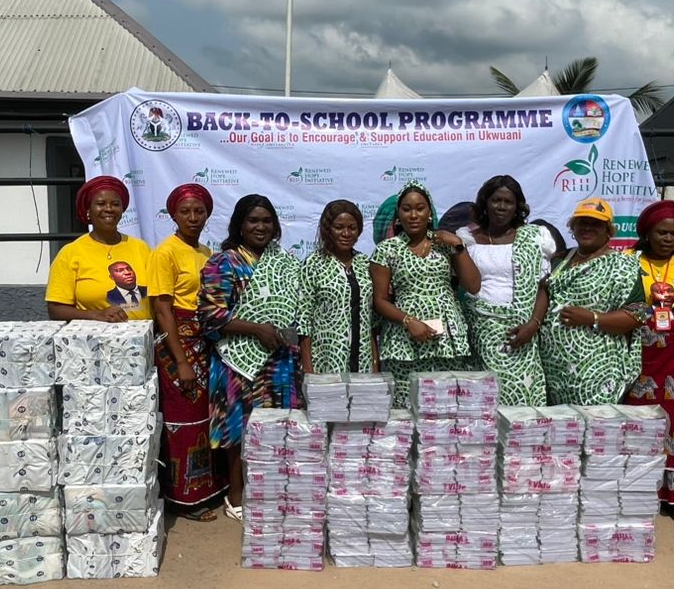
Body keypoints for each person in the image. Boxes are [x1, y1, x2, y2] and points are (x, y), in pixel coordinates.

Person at [199, 195, 303, 521]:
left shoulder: (286, 262)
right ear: (240, 225)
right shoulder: (224, 262)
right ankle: (236, 493)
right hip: (236, 359)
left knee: (275, 428)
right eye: (253, 221)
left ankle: (270, 490)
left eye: (266, 221)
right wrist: (256, 329)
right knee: (237, 427)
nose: (260, 227)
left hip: (278, 360)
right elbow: (210, 316)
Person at [624, 199, 674, 525]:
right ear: (647, 233)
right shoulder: (628, 261)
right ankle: (637, 493)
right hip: (641, 351)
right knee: (640, 421)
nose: (668, 238)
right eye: (661, 232)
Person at [148, 183, 224, 520]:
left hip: (203, 341)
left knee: (203, 418)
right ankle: (182, 498)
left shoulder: (205, 252)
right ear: (173, 215)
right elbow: (162, 308)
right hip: (177, 343)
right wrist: (180, 361)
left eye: (199, 211)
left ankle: (207, 487)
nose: (193, 217)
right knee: (182, 420)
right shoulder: (164, 253)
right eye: (185, 211)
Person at [370, 181, 481, 409]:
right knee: (407, 404)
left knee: (446, 405)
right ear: (398, 215)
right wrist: (409, 322)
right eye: (406, 209)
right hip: (406, 338)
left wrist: (458, 246)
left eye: (420, 208)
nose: (413, 215)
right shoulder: (387, 249)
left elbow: (473, 285)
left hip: (447, 338)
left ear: (430, 212)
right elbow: (379, 301)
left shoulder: (445, 243)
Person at [538, 197, 644, 405]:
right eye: (582, 222)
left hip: (598, 373)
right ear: (573, 227)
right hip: (554, 372)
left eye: (596, 223)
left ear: (609, 230)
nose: (587, 228)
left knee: (597, 432)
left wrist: (592, 318)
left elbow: (637, 314)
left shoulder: (623, 266)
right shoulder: (560, 261)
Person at [456, 175, 552, 406]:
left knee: (522, 399)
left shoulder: (535, 237)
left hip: (522, 332)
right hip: (479, 332)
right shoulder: (466, 239)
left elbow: (545, 286)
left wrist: (533, 324)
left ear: (517, 207)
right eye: (495, 200)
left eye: (508, 202)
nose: (501, 206)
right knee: (484, 400)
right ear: (485, 204)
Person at [46, 175, 152, 322]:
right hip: (94, 341)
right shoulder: (70, 253)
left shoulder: (141, 248)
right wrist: (96, 315)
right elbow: (55, 310)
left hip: (142, 341)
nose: (108, 209)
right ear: (88, 211)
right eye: (101, 204)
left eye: (115, 204)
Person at [299, 200, 378, 375]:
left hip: (363, 360)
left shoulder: (365, 263)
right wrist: (308, 368)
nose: (346, 233)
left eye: (352, 228)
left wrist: (375, 363)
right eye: (339, 227)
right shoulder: (313, 264)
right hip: (326, 359)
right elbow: (304, 322)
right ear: (328, 229)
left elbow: (372, 320)